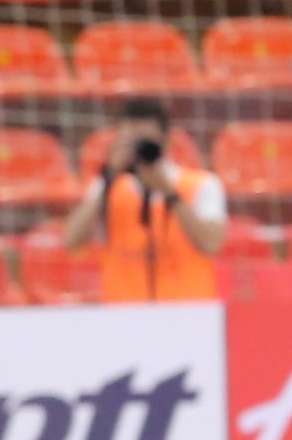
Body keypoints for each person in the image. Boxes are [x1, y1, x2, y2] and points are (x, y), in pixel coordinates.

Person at [60, 96, 228, 303]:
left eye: (146, 143)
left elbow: (211, 244)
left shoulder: (202, 184)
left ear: (166, 141)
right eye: (131, 142)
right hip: (126, 313)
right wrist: (109, 178)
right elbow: (71, 240)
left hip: (187, 310)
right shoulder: (108, 186)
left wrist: (170, 194)